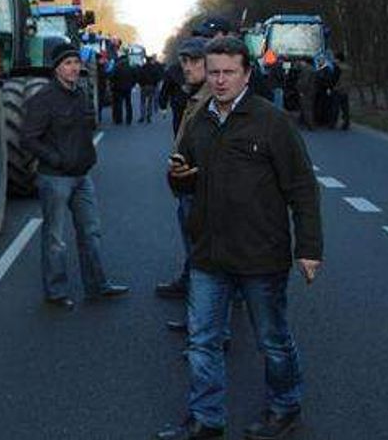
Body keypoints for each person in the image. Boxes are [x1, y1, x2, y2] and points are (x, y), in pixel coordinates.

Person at [156, 37, 322, 440]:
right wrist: (177, 179)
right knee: (203, 342)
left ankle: (285, 409)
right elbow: (183, 182)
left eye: (229, 72)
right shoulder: (198, 121)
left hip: (260, 256)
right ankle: (205, 419)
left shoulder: (271, 122)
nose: (220, 79)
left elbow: (302, 186)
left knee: (273, 341)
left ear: (247, 73)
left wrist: (309, 249)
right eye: (213, 72)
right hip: (209, 255)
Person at [21, 41, 129, 309]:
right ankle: (56, 292)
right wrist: (56, 159)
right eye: (67, 63)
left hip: (82, 176)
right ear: (57, 69)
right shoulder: (42, 100)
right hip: (55, 178)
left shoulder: (79, 94)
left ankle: (97, 286)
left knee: (91, 232)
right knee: (55, 239)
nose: (73, 68)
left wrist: (85, 158)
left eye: (76, 63)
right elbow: (28, 139)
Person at [155, 37, 210, 304]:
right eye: (185, 61)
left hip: (200, 188)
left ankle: (202, 317)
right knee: (196, 248)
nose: (187, 67)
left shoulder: (212, 98)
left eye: (195, 61)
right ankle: (194, 292)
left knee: (201, 249)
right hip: (187, 185)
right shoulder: (192, 94)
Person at [108, 54, 137, 126]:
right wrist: (132, 84)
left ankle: (118, 119)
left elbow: (112, 77)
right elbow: (135, 76)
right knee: (128, 104)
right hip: (128, 88)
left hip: (118, 88)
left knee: (118, 104)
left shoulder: (117, 67)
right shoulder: (130, 67)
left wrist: (113, 84)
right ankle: (129, 119)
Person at [138, 54, 165, 123]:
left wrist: (141, 84)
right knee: (150, 102)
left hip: (144, 87)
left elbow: (139, 77)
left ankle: (142, 116)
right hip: (152, 86)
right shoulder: (154, 68)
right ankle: (149, 116)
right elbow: (158, 77)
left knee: (142, 102)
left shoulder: (142, 67)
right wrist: (155, 83)